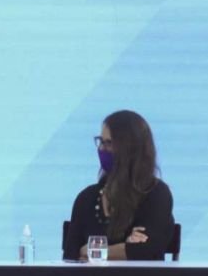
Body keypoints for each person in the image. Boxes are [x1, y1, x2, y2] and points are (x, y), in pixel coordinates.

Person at [63, 110, 174, 261]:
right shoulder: (86, 198)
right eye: (101, 141)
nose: (102, 149)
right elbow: (71, 256)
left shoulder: (156, 194)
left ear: (131, 149)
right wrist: (121, 248)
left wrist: (89, 250)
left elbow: (144, 251)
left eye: (109, 143)